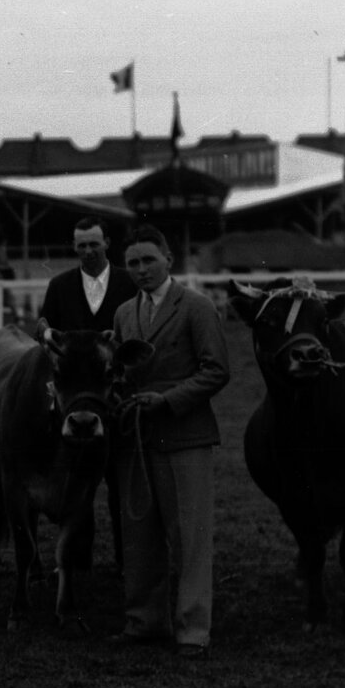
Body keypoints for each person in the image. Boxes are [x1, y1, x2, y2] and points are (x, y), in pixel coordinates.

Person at [109, 224, 231, 658]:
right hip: (138, 440)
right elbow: (119, 371)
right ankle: (143, 621)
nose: (141, 270)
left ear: (168, 260)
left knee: (190, 536)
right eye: (133, 263)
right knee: (139, 533)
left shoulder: (196, 307)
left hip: (185, 437)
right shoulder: (125, 313)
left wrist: (167, 400)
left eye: (148, 260)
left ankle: (193, 628)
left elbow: (217, 370)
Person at [37, 216, 139, 571]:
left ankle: (128, 562)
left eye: (94, 243)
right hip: (76, 402)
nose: (87, 251)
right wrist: (47, 335)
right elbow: (44, 327)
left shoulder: (129, 282)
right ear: (73, 247)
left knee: (120, 483)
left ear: (107, 243)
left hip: (116, 398)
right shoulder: (60, 284)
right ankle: (78, 565)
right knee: (78, 485)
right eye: (81, 244)